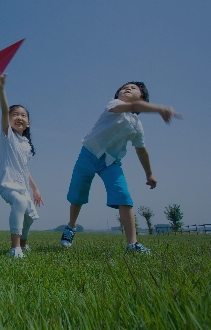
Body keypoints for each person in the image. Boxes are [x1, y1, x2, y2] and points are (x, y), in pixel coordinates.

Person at [61, 82, 181, 254]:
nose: (127, 88)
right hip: (89, 154)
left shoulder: (137, 125)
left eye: (133, 88)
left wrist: (149, 174)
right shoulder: (114, 104)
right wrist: (159, 109)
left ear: (142, 97)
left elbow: (141, 150)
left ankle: (132, 244)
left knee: (123, 196)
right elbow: (132, 106)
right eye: (124, 87)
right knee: (77, 194)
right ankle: (71, 226)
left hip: (111, 162)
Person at [0, 72, 44, 258]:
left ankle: (23, 245)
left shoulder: (26, 145)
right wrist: (1, 88)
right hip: (7, 185)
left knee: (30, 217)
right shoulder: (8, 137)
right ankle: (14, 248)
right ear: (9, 119)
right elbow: (3, 109)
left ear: (28, 122)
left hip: (23, 186)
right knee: (21, 202)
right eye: (14, 114)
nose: (19, 117)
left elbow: (25, 169)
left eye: (23, 115)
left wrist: (35, 188)